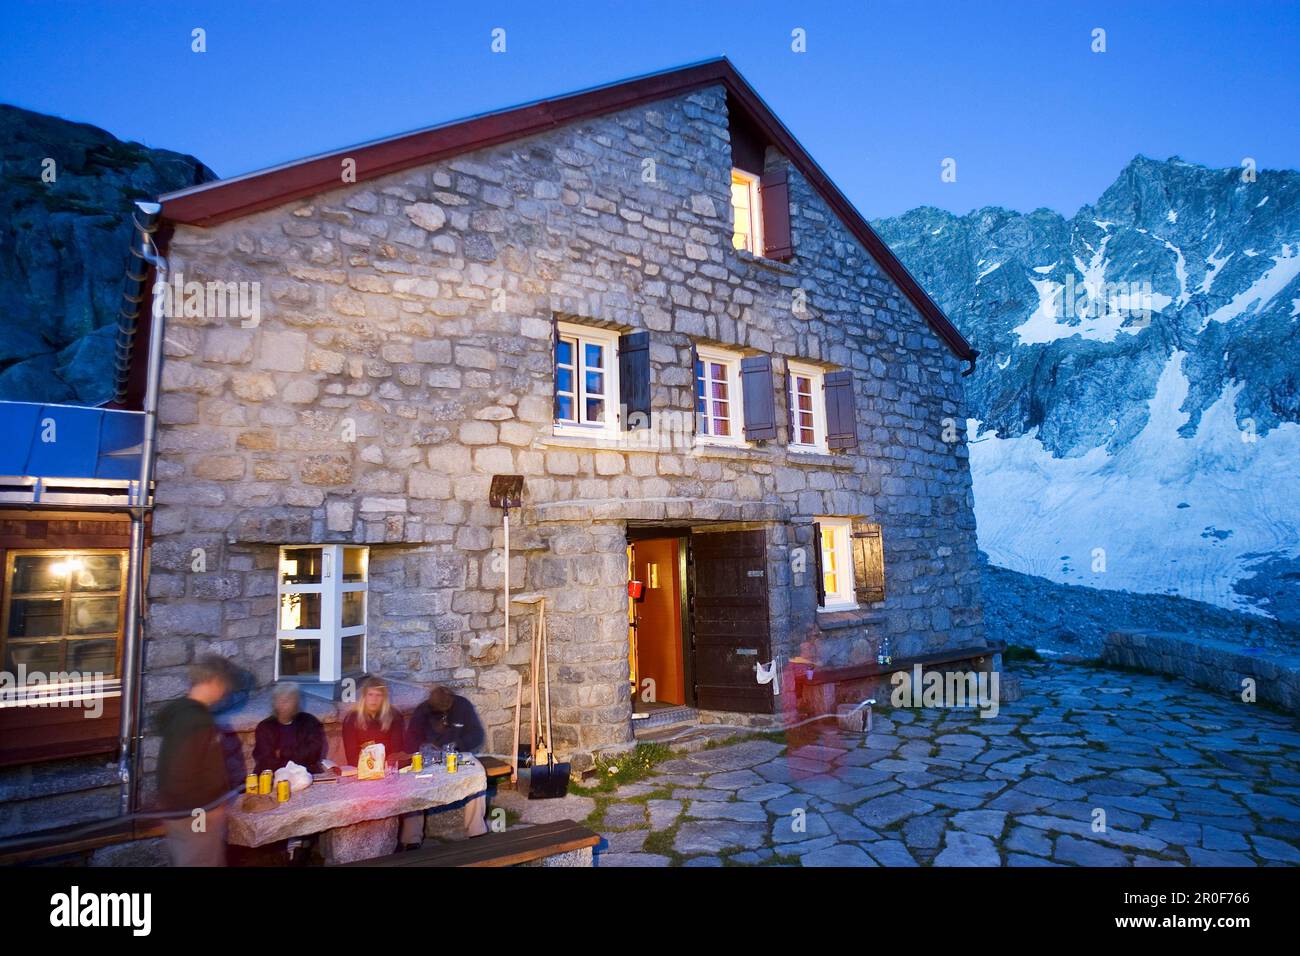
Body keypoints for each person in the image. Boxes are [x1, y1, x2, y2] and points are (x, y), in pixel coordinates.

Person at [155, 655, 236, 866]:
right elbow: (180, 772)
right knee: (200, 860)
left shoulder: (182, 713)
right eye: (224, 685)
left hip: (185, 811)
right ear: (214, 681)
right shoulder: (194, 721)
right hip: (196, 813)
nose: (224, 692)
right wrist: (212, 805)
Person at [400, 685, 489, 847]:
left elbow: (477, 734)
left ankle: (477, 830)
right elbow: (410, 740)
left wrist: (459, 744)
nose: (443, 713)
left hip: (458, 754)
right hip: (429, 757)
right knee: (411, 782)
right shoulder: (423, 711)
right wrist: (425, 747)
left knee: (478, 774)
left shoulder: (463, 706)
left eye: (446, 709)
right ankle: (411, 838)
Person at [253, 683, 328, 775]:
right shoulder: (264, 727)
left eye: (287, 700)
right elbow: (265, 760)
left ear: (296, 703)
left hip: (306, 774)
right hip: (273, 777)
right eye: (279, 700)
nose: (282, 705)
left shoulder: (309, 722)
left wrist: (283, 753)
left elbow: (314, 754)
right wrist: (297, 756)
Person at [341, 676, 407, 766]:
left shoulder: (394, 716)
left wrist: (384, 765)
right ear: (364, 697)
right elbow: (351, 755)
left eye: (378, 695)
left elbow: (396, 749)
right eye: (370, 694)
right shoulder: (351, 718)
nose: (374, 699)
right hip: (362, 766)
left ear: (384, 698)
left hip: (389, 765)